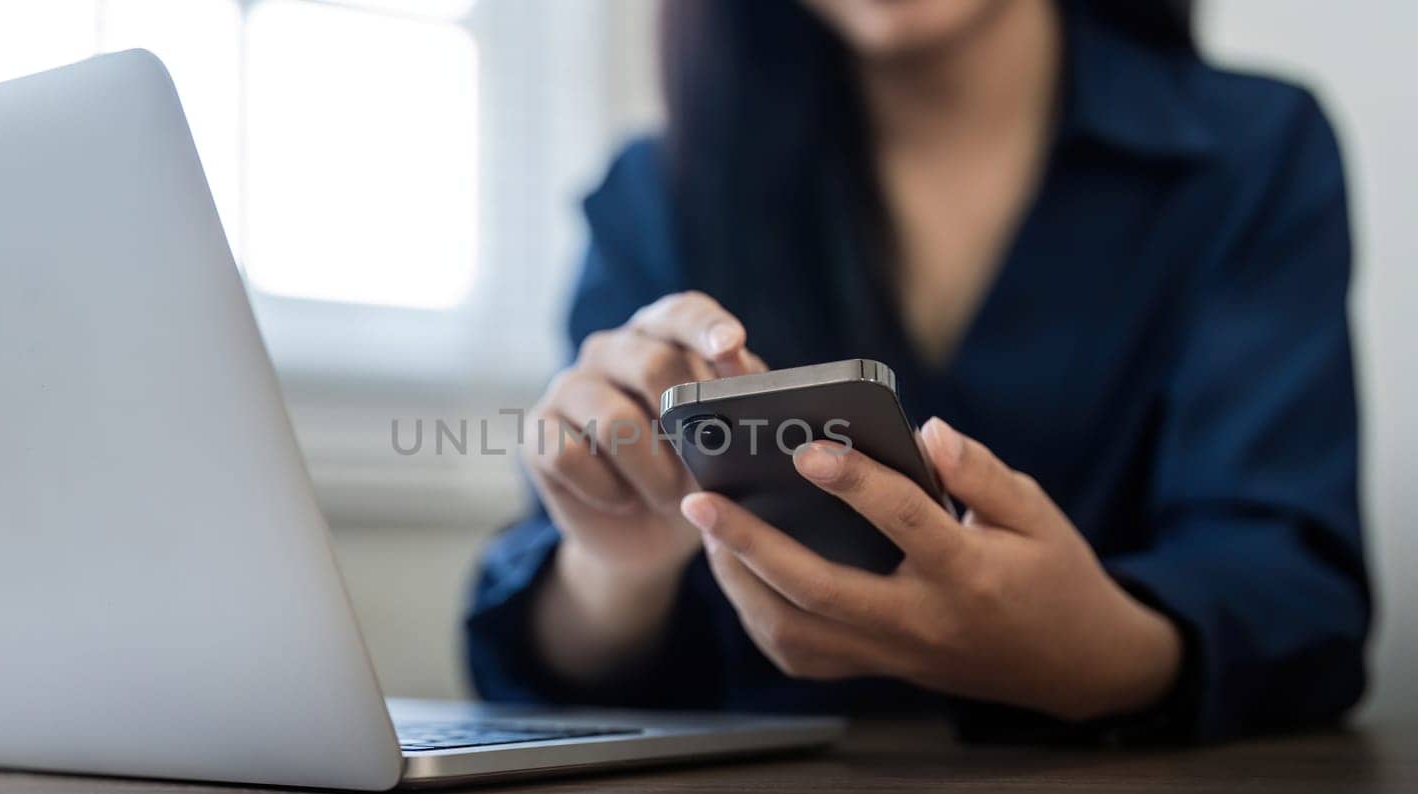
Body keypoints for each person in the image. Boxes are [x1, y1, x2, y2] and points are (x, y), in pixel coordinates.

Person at [467, 0, 1370, 743]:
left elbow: (1297, 594)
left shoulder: (1251, 151)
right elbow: (535, 658)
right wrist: (617, 565)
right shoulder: (654, 191)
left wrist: (1106, 652)